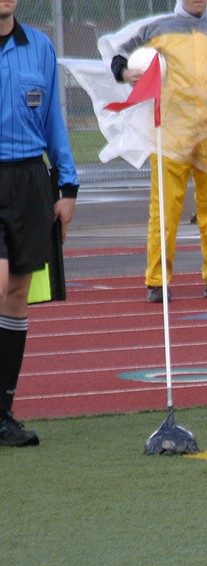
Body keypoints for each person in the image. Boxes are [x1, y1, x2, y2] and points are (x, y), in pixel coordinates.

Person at [100, 0, 207, 303]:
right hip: (170, 134)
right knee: (165, 210)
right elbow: (116, 51)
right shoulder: (157, 26)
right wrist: (125, 72)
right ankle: (157, 281)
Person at [0, 0, 79, 447]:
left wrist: (68, 188)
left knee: (16, 296)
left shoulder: (41, 47)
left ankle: (2, 413)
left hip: (31, 180)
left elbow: (54, 120)